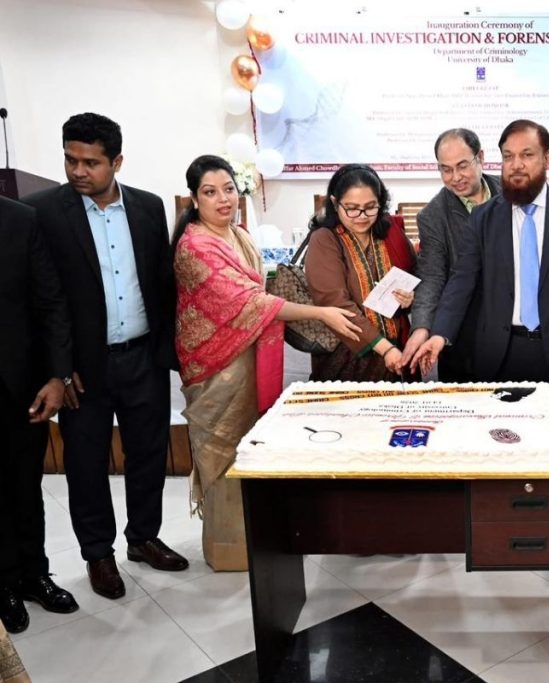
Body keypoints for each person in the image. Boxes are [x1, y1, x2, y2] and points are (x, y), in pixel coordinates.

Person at [23, 113, 186, 600]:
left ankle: (144, 537)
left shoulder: (148, 207)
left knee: (149, 454)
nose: (78, 170)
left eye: (91, 162)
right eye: (70, 160)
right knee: (87, 464)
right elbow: (41, 299)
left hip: (142, 358)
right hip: (82, 370)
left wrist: (164, 352)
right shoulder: (43, 212)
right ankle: (98, 554)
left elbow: (161, 284)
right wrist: (58, 369)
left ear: (117, 161)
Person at [173, 155, 360, 571]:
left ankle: (258, 541)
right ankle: (229, 551)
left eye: (228, 189)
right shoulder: (195, 246)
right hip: (216, 367)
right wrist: (321, 313)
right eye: (210, 192)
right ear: (194, 199)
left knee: (250, 449)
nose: (223, 199)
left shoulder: (237, 234)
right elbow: (251, 303)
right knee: (225, 454)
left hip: (248, 355)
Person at [412, 119, 549, 400]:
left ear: (547, 158)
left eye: (527, 155)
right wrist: (439, 334)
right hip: (498, 353)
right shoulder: (484, 217)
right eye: (508, 156)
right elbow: (461, 282)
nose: (516, 165)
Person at [0, 196, 77, 633]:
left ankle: (34, 574)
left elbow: (51, 303)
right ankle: (3, 582)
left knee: (26, 485)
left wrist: (57, 376)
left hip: (22, 385)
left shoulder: (20, 220)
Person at [402, 128, 501, 381]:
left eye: (462, 166)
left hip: (516, 332)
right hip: (465, 335)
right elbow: (432, 276)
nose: (455, 177)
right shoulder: (433, 216)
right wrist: (421, 327)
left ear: (481, 157)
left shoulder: (512, 192)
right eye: (446, 169)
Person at [305, 164, 417, 381]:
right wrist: (385, 348)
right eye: (352, 208)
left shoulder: (391, 233)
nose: (362, 216)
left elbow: (417, 276)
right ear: (335, 203)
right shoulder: (325, 239)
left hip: (398, 352)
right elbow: (335, 303)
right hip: (347, 356)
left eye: (370, 207)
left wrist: (411, 297)